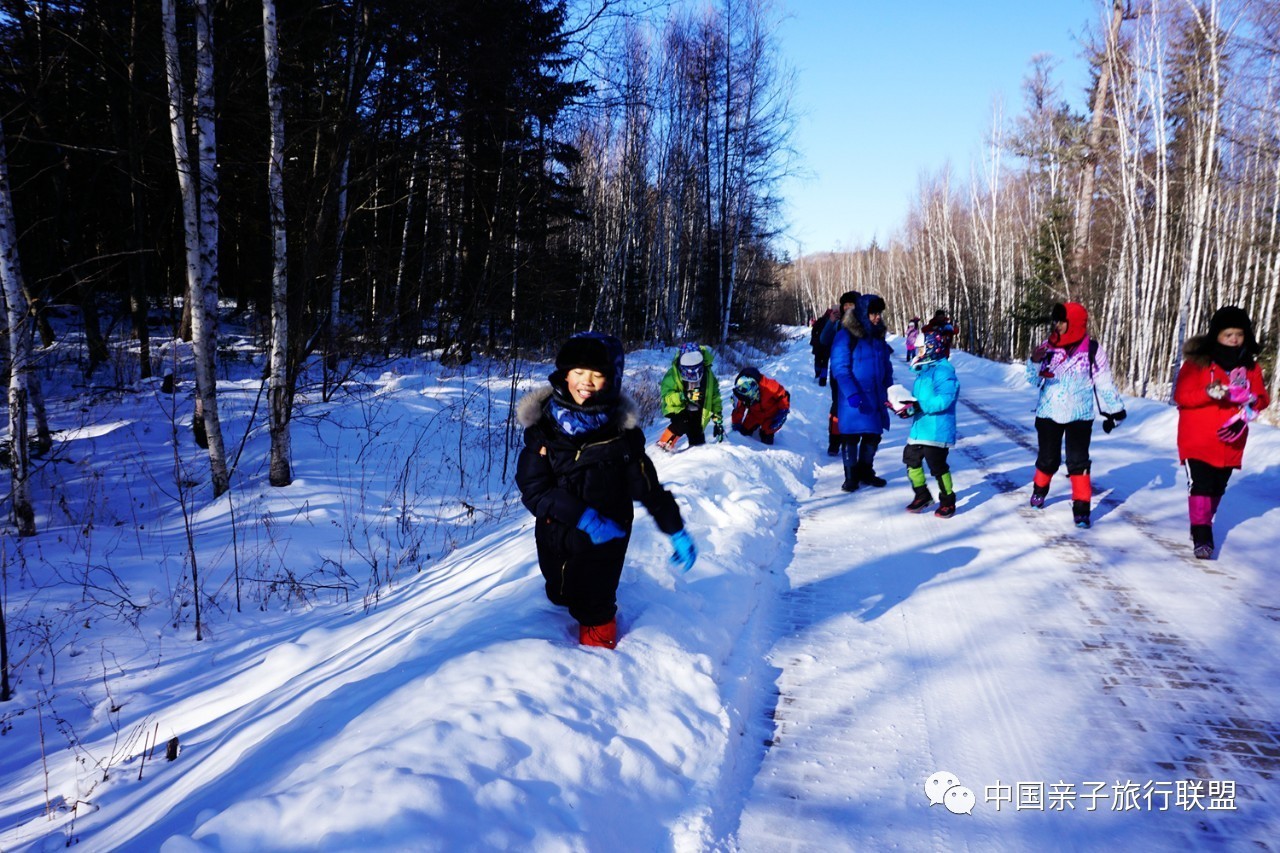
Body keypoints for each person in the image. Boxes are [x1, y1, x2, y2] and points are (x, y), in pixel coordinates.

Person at [516, 332, 698, 649]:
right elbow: (533, 489)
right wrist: (583, 517)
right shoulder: (543, 428)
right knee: (559, 594)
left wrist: (676, 529)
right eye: (578, 371)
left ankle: (599, 667)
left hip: (607, 542)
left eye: (597, 374)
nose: (586, 381)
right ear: (564, 374)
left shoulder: (622, 437)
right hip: (555, 537)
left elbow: (648, 488)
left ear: (610, 379)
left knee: (596, 607)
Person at [1173, 306, 1270, 559]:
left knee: (1218, 487)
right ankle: (1202, 533)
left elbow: (1262, 398)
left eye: (1238, 334)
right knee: (1201, 485)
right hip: (1198, 437)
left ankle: (1202, 521)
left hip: (1231, 439)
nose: (1234, 339)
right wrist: (1207, 393)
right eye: (1228, 334)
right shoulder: (1198, 362)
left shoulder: (1250, 366)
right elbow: (1181, 396)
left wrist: (1251, 401)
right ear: (1216, 335)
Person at [1026, 302, 1126, 529]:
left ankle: (1081, 508)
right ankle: (1039, 491)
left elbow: (1104, 383)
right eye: (1056, 321)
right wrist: (1033, 361)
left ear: (1074, 322)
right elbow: (1033, 381)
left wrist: (1115, 410)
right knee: (1048, 459)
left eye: (1062, 321)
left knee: (1078, 462)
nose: (1057, 325)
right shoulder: (1048, 346)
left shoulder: (1092, 349)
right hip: (1049, 413)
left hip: (1080, 415)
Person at [830, 292, 894, 491]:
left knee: (873, 435)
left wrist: (891, 391)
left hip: (875, 395)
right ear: (863, 313)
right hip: (855, 396)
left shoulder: (878, 336)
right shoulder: (845, 335)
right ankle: (851, 477)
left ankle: (866, 471)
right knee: (850, 436)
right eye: (873, 313)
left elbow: (886, 365)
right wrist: (851, 393)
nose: (877, 317)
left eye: (879, 313)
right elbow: (840, 368)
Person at [899, 331, 959, 517]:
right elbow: (920, 400)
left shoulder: (943, 372)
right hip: (920, 428)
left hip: (937, 431)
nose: (919, 351)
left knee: (937, 465)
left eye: (922, 348)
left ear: (933, 347)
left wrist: (919, 406)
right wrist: (907, 408)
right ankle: (922, 495)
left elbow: (944, 400)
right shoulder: (924, 371)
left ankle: (948, 499)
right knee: (910, 458)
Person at [658, 342, 724, 451]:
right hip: (680, 407)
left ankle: (695, 458)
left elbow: (714, 397)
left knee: (698, 441)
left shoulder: (708, 375)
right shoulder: (673, 374)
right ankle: (662, 446)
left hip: (698, 410)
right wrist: (684, 396)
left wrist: (718, 419)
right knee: (682, 423)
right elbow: (667, 398)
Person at [820, 290, 862, 455]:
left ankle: (850, 439)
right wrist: (831, 322)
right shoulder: (838, 323)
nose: (849, 307)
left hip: (858, 373)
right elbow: (824, 340)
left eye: (852, 304)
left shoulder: (863, 323)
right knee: (838, 407)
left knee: (857, 406)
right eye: (846, 304)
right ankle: (834, 441)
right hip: (838, 373)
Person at [730, 367, 791, 445]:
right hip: (754, 415)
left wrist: (783, 412)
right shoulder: (742, 391)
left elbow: (783, 396)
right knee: (743, 433)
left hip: (771, 415)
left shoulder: (768, 386)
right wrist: (736, 423)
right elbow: (738, 409)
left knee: (767, 440)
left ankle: (765, 432)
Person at [810, 307, 839, 386]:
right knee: (825, 362)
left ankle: (817, 375)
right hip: (827, 345)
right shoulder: (833, 323)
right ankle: (823, 379)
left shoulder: (820, 320)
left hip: (818, 345)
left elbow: (813, 331)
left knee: (818, 360)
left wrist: (814, 338)